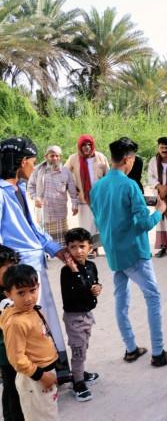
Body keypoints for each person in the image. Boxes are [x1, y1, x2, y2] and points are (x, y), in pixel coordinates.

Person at [90, 137, 167, 367]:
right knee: (153, 296)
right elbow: (144, 224)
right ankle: (158, 352)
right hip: (134, 250)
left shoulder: (97, 187)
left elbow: (100, 220)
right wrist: (159, 210)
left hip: (113, 250)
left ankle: (131, 348)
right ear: (128, 159)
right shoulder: (130, 185)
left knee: (121, 299)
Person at [0, 137, 71, 382]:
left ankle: (57, 368)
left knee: (43, 318)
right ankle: (36, 376)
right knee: (26, 324)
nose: (34, 165)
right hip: (18, 272)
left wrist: (57, 249)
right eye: (32, 160)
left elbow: (33, 227)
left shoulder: (18, 189)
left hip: (34, 265)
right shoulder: (1, 194)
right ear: (22, 162)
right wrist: (6, 273)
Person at [0, 265, 58, 421]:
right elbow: (17, 359)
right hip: (34, 378)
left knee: (48, 413)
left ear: (38, 287)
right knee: (43, 417)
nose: (28, 298)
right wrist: (42, 376)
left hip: (44, 373)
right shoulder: (16, 323)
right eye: (21, 293)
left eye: (32, 290)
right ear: (8, 294)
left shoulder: (31, 310)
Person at [60, 228, 101, 402]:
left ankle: (80, 372)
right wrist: (75, 270)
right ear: (67, 249)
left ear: (90, 247)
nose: (78, 251)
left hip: (87, 314)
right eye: (73, 247)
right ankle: (77, 383)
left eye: (82, 246)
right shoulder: (66, 272)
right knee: (78, 350)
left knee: (83, 347)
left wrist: (98, 287)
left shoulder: (91, 266)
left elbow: (94, 283)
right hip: (74, 318)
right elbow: (79, 290)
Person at [65, 134, 109, 258]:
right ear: (80, 146)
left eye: (89, 144)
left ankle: (95, 248)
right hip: (83, 198)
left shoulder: (100, 157)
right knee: (86, 225)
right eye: (84, 145)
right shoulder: (73, 158)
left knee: (99, 224)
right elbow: (65, 174)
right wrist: (73, 187)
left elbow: (108, 175)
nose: (87, 147)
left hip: (99, 197)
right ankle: (89, 248)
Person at [27, 145, 78, 246]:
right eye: (52, 156)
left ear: (60, 157)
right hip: (43, 212)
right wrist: (35, 198)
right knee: (44, 241)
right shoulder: (37, 170)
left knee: (62, 244)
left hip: (60, 213)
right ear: (46, 156)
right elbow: (30, 186)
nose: (55, 158)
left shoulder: (65, 171)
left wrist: (75, 205)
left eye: (57, 156)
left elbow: (72, 190)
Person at [0, 245, 23, 421]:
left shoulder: (12, 290)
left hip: (17, 349)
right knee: (12, 386)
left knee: (15, 385)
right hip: (5, 352)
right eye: (6, 267)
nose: (12, 271)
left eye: (13, 265)